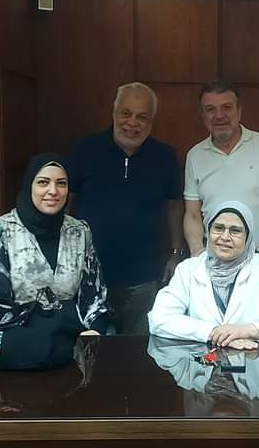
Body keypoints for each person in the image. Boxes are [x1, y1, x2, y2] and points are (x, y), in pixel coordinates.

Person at [67, 82, 184, 334]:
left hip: (143, 277)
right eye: (126, 113)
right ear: (114, 112)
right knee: (89, 347)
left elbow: (174, 206)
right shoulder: (85, 150)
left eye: (142, 117)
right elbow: (66, 202)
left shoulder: (165, 157)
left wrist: (176, 252)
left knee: (138, 350)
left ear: (151, 121)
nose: (132, 123)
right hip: (89, 274)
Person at [0, 153, 110, 334]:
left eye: (61, 183)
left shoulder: (79, 231)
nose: (53, 191)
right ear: (29, 186)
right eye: (43, 182)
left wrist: (94, 333)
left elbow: (94, 301)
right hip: (18, 336)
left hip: (71, 337)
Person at [148, 201, 259, 347]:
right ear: (208, 232)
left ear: (248, 237)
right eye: (218, 228)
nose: (225, 237)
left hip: (256, 364)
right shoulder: (188, 270)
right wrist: (213, 332)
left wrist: (250, 330)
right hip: (202, 367)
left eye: (235, 231)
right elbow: (159, 319)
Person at [182, 80, 259, 264]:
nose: (219, 116)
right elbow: (192, 214)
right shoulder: (195, 156)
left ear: (239, 111)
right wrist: (196, 250)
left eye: (227, 107)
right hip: (215, 261)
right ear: (203, 117)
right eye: (210, 109)